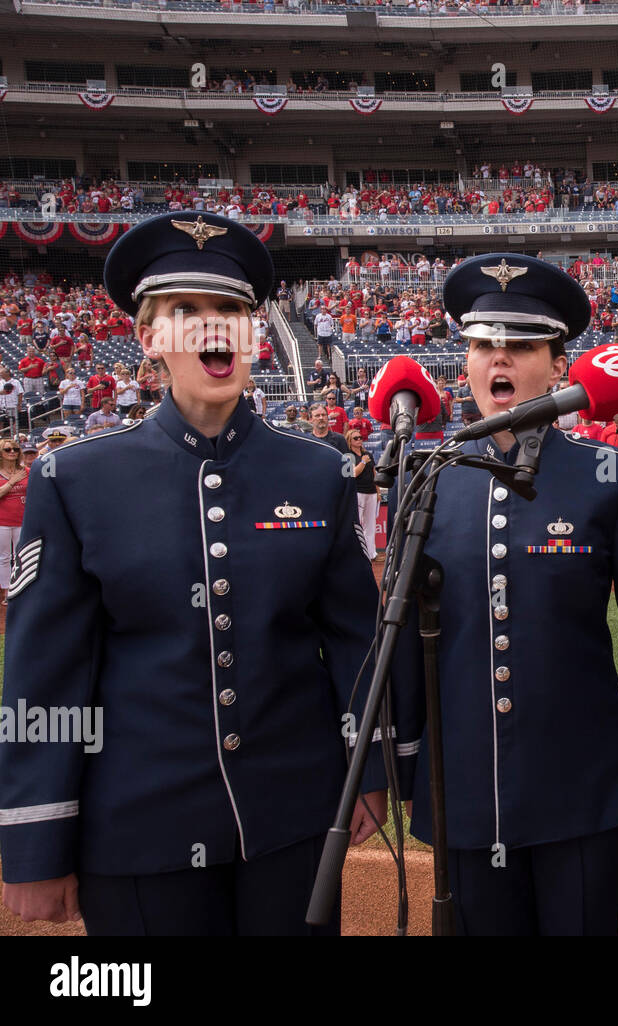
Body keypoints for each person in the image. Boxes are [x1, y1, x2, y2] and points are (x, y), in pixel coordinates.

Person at [0, 211, 389, 935]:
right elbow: (46, 674)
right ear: (148, 338)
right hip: (138, 833)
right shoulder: (74, 479)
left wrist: (369, 771)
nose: (214, 328)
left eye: (232, 311)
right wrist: (35, 836)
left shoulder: (321, 472)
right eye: (184, 311)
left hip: (293, 824)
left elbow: (352, 643)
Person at [391, 254, 618, 935]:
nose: (501, 359)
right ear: (465, 361)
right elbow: (399, 637)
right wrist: (402, 758)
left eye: (522, 345)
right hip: (458, 780)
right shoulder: (423, 478)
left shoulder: (612, 476)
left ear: (558, 366)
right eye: (485, 344)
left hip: (582, 781)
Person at [0, 438, 28, 604]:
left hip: (23, 519)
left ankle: (21, 589)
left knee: (22, 556)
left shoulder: (26, 470)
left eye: (15, 449)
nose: (12, 452)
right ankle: (7, 591)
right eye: (8, 450)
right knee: (4, 557)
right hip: (2, 521)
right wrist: (12, 481)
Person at [345, 429, 378, 560]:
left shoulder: (368, 453)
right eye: (356, 438)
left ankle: (371, 553)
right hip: (357, 492)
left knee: (370, 524)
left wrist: (378, 490)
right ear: (350, 441)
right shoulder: (347, 455)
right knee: (358, 524)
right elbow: (352, 474)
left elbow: (374, 473)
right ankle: (357, 553)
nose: (359, 440)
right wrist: (363, 462)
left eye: (360, 437)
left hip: (371, 492)